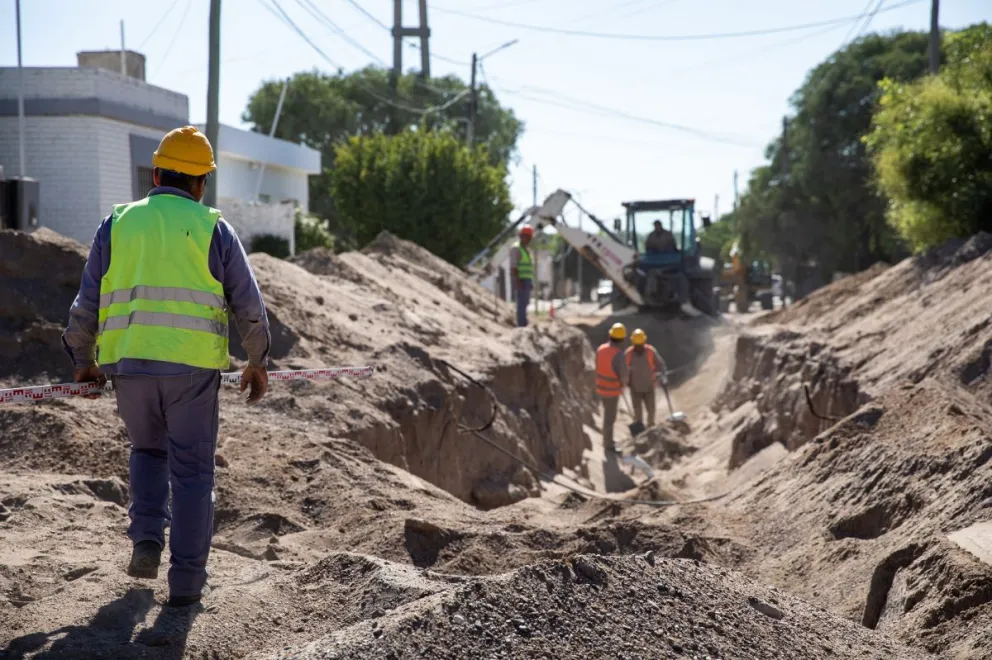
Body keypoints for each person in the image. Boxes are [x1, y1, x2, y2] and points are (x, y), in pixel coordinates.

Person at [62, 125, 271, 608]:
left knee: (148, 451)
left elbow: (85, 303)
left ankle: (147, 540)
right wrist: (258, 361)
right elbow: (249, 305)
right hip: (192, 374)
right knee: (194, 474)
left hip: (129, 367)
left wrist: (83, 361)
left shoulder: (115, 224)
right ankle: (186, 585)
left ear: (155, 174)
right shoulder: (213, 229)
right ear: (202, 184)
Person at [596, 323, 629, 453]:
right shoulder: (619, 355)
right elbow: (624, 376)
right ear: (622, 339)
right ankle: (608, 444)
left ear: (610, 335)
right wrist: (623, 385)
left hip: (601, 388)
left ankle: (607, 440)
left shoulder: (601, 349)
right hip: (612, 391)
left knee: (607, 415)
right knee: (610, 418)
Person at [625, 328, 667, 428]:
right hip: (635, 388)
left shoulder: (650, 351)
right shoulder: (629, 353)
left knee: (651, 410)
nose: (639, 347)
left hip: (649, 386)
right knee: (638, 413)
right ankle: (640, 432)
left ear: (644, 341)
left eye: (640, 345)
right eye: (637, 345)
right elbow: (623, 369)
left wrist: (662, 375)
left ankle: (651, 429)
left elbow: (660, 364)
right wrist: (626, 381)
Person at [510, 225, 535, 327]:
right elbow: (514, 266)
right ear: (521, 236)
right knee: (521, 304)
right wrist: (517, 281)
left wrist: (530, 282)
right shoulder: (516, 248)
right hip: (521, 280)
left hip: (527, 279)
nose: (528, 239)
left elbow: (528, 267)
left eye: (529, 237)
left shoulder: (526, 250)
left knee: (525, 303)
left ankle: (524, 322)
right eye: (526, 237)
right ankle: (521, 325)